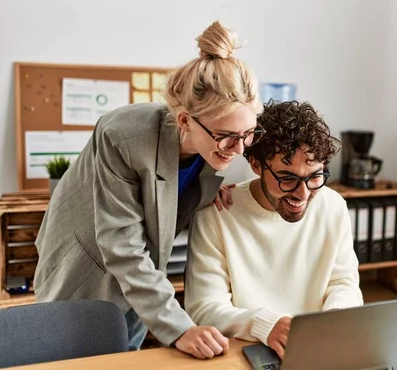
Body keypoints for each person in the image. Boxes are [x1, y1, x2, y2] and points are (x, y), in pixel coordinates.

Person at [33, 21, 264, 358]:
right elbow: (121, 244)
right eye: (226, 136)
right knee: (71, 357)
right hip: (86, 264)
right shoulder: (123, 135)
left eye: (248, 134)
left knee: (126, 352)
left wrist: (207, 195)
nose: (239, 148)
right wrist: (180, 327)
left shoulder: (217, 144)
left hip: (141, 274)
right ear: (184, 121)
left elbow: (168, 205)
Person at [184, 100, 364, 359]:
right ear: (256, 165)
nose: (303, 194)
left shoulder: (333, 206)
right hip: (245, 351)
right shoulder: (217, 214)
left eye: (315, 176)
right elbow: (204, 308)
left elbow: (344, 282)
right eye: (287, 178)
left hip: (319, 349)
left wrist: (335, 317)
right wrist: (267, 326)